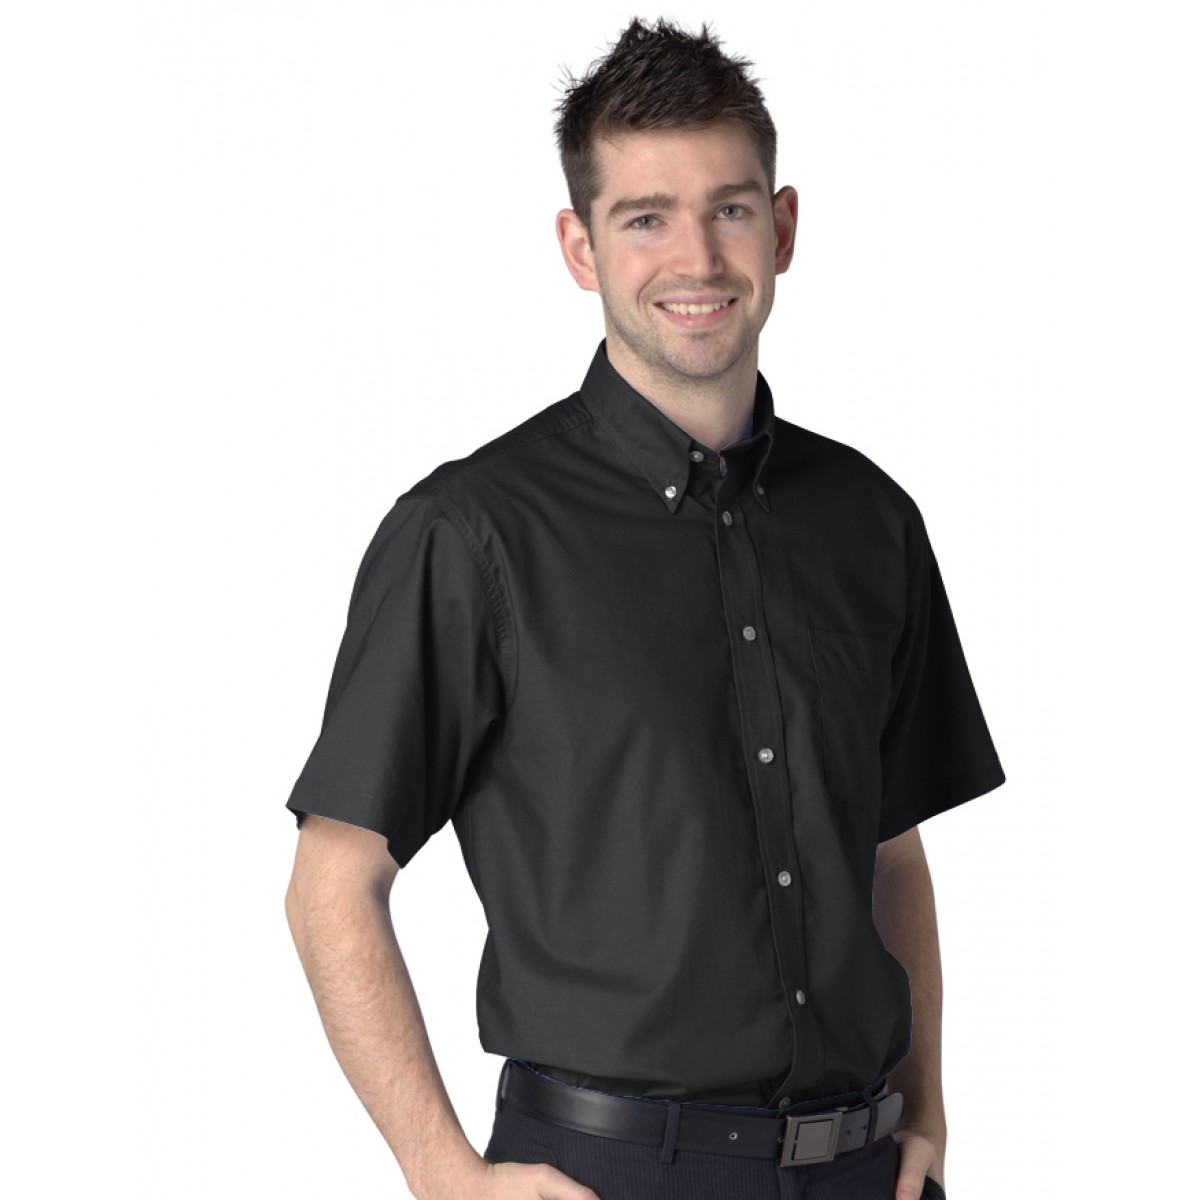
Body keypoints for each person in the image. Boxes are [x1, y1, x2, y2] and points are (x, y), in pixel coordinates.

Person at [283, 17, 1005, 1200]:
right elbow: (332, 884)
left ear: (782, 228)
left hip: (869, 1169)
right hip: (609, 1172)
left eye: (730, 210)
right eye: (645, 218)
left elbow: (891, 855)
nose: (698, 259)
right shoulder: (472, 533)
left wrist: (926, 1105)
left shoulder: (871, 519)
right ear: (581, 247)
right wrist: (443, 1174)